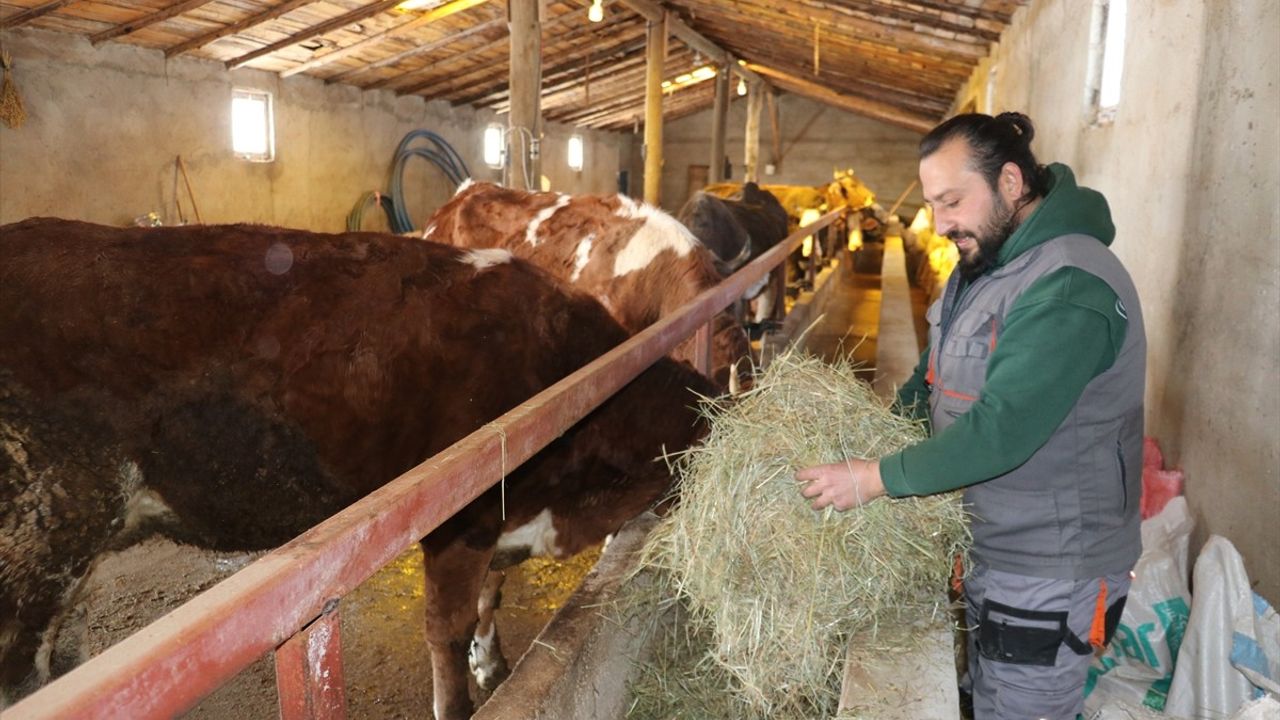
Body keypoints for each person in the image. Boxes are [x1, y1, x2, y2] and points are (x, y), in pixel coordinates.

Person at [795, 112, 1146, 719]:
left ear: (1011, 182)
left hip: (1049, 568)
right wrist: (873, 428)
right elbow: (933, 376)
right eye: (934, 204)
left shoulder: (1067, 284)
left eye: (952, 201)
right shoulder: (986, 268)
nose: (941, 223)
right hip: (994, 546)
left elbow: (1003, 429)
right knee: (988, 698)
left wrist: (874, 476)